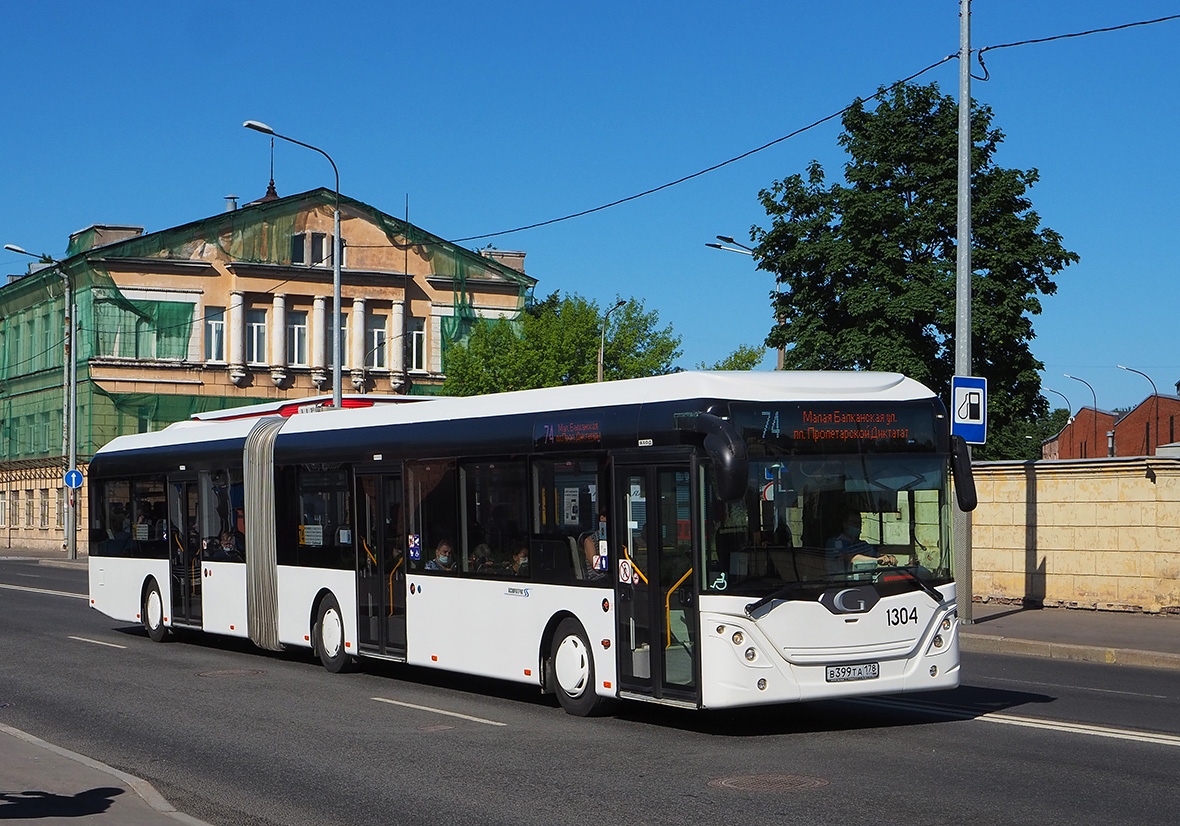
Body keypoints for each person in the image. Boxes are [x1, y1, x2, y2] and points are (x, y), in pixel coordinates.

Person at [825, 512, 896, 570]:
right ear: (845, 524)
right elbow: (851, 557)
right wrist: (876, 560)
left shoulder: (862, 545)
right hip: (839, 584)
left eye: (859, 523)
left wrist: (889, 558)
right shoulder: (834, 542)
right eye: (853, 523)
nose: (857, 526)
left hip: (863, 583)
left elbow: (877, 556)